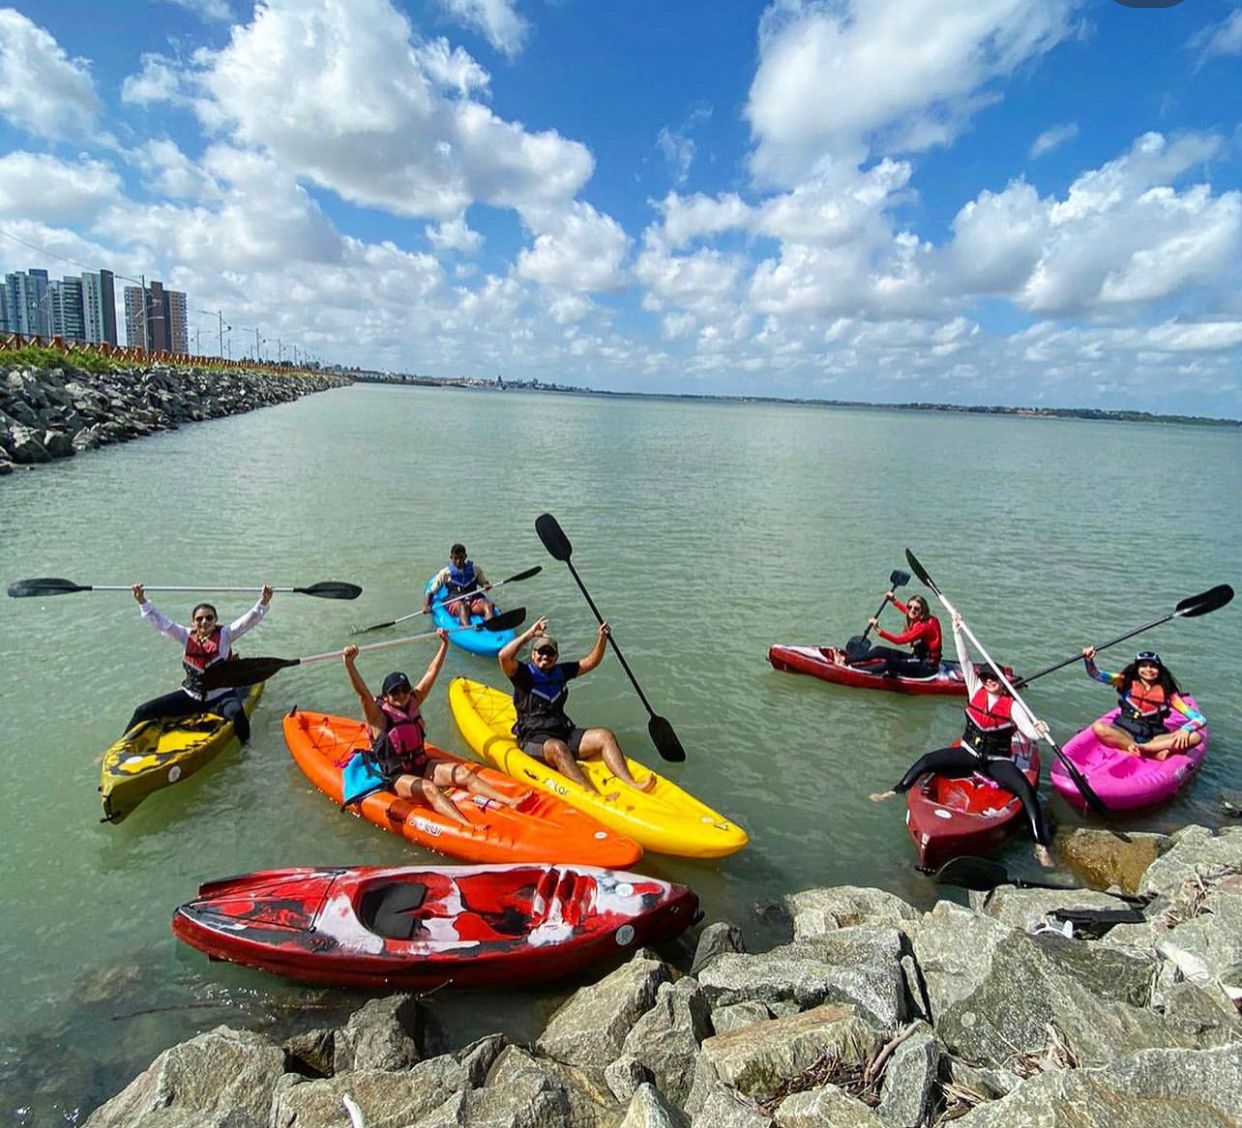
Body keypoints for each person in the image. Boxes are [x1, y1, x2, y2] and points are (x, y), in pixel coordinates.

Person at [871, 613, 1053, 867]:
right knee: (927, 760)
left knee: (1026, 792)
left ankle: (1041, 846)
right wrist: (957, 630)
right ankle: (895, 790)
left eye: (994, 679)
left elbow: (1029, 732)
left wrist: (1039, 729)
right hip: (967, 753)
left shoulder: (1012, 706)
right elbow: (965, 660)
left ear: (1002, 683)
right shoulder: (975, 689)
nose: (989, 682)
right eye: (987, 678)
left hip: (997, 761)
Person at [342, 635, 526, 825]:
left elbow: (432, 672)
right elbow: (363, 694)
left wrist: (444, 644)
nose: (401, 695)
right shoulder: (378, 717)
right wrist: (349, 663)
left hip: (422, 766)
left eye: (404, 690)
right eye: (395, 692)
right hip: (397, 777)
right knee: (430, 789)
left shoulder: (413, 701)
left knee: (464, 774)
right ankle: (468, 827)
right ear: (386, 696)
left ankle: (509, 801)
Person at [499, 617, 656, 798]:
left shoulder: (562, 671)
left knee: (605, 736)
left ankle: (631, 783)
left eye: (550, 653)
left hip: (563, 732)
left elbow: (591, 662)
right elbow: (504, 656)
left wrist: (602, 637)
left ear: (556, 658)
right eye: (541, 652)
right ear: (533, 654)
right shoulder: (522, 674)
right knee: (558, 748)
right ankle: (593, 795)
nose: (545, 656)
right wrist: (530, 635)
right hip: (533, 740)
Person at [124, 583, 273, 743]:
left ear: (215, 620)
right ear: (193, 622)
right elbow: (162, 623)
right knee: (142, 711)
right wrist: (142, 600)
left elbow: (248, 621)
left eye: (209, 618)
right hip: (191, 696)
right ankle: (120, 745)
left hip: (221, 697)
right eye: (199, 619)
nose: (204, 622)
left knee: (237, 713)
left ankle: (246, 748)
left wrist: (263, 601)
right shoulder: (185, 635)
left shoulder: (226, 634)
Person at [1081, 648, 1205, 760]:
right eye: (1144, 666)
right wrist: (1089, 660)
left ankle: (1144, 749)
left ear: (1159, 670)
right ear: (1137, 669)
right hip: (1123, 732)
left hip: (1152, 738)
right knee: (1098, 727)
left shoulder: (1169, 694)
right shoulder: (1125, 681)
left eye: (1153, 666)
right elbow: (1096, 674)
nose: (1148, 670)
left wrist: (1186, 729)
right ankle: (1150, 751)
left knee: (1195, 737)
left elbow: (1200, 719)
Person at [836, 592, 942, 678]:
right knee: (879, 650)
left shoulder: (924, 627)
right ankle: (846, 660)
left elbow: (899, 640)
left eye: (916, 608)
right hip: (917, 658)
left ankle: (853, 672)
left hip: (925, 667)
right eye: (910, 606)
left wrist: (880, 631)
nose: (912, 610)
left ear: (923, 610)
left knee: (889, 664)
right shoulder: (926, 618)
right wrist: (894, 601)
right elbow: (909, 613)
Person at [424, 544, 495, 627]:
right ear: (451, 557)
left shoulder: (476, 570)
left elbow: (484, 583)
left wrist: (486, 586)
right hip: (456, 600)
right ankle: (468, 629)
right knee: (461, 607)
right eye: (455, 558)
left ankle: (491, 625)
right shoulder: (445, 573)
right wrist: (426, 605)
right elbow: (432, 592)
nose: (458, 561)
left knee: (489, 605)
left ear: (465, 556)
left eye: (461, 557)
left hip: (473, 600)